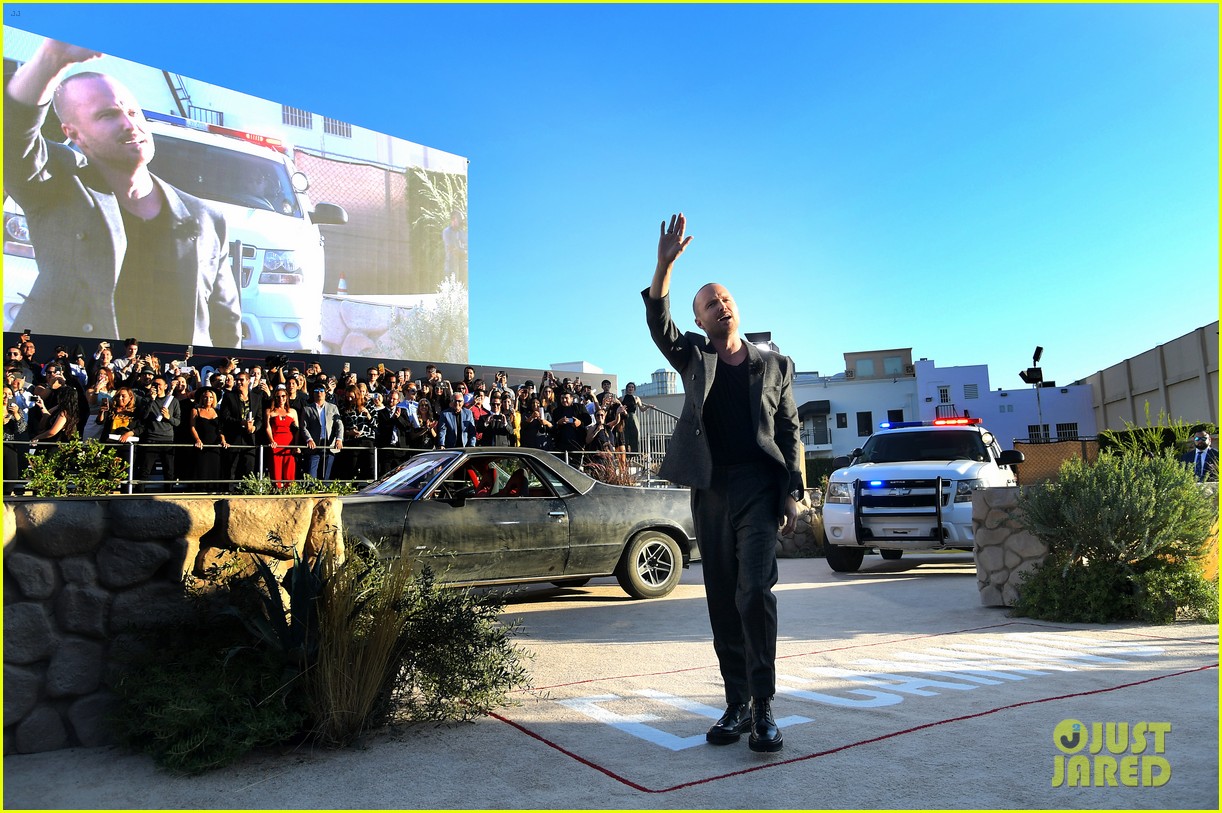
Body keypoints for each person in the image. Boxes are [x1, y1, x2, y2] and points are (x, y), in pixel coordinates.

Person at [644, 213, 802, 754]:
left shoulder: (776, 365)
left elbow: (789, 430)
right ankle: (735, 703)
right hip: (711, 491)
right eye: (710, 303)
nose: (722, 305)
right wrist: (663, 266)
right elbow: (659, 324)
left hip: (759, 487)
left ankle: (763, 707)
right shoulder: (694, 357)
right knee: (721, 600)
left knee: (754, 592)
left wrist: (794, 491)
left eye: (726, 298)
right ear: (701, 320)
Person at [3, 39, 241, 345]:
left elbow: (226, 327)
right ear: (73, 133)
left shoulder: (205, 217)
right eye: (107, 116)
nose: (130, 125)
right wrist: (53, 59)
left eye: (133, 111)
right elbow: (12, 136)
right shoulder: (58, 182)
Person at [299, 385, 343, 481]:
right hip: (314, 445)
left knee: (326, 475)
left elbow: (339, 425)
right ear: (313, 393)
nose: (319, 393)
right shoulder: (307, 409)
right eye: (316, 391)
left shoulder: (333, 407)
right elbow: (303, 427)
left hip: (329, 444)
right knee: (311, 474)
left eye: (322, 391)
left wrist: (339, 439)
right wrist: (309, 439)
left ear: (325, 393)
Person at [189, 387, 227, 492]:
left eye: (210, 397)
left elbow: (220, 429)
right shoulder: (195, 410)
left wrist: (223, 440)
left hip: (214, 446)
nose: (208, 399)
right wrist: (197, 439)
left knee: (214, 469)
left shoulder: (217, 412)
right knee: (201, 468)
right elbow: (192, 427)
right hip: (201, 445)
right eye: (206, 397)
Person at [265, 385, 300, 486]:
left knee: (289, 471)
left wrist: (296, 445)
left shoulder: (292, 412)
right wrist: (271, 441)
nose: (281, 399)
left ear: (287, 397)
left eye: (283, 396)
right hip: (276, 443)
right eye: (278, 396)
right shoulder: (269, 411)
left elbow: (297, 430)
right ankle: (277, 491)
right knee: (275, 470)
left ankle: (289, 492)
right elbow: (268, 427)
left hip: (289, 444)